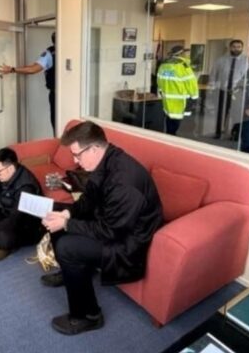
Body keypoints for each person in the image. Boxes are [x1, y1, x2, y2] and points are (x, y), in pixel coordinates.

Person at [40, 121, 163, 335]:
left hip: (127, 243)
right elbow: (88, 200)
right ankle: (72, 271)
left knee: (68, 245)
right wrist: (67, 214)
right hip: (111, 223)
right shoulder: (105, 160)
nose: (75, 161)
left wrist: (68, 223)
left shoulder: (125, 181)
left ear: (95, 148)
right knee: (57, 211)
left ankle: (88, 316)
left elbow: (111, 232)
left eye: (77, 155)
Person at [0, 31, 56, 134]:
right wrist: (13, 69)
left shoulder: (50, 53)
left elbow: (33, 69)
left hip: (57, 95)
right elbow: (33, 68)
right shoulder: (52, 54)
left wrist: (13, 69)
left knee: (57, 124)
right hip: (62, 94)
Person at [209, 39, 248, 139]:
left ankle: (235, 134)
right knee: (221, 113)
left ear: (242, 48)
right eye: (234, 47)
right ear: (230, 47)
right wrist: (212, 86)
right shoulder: (221, 60)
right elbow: (213, 74)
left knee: (237, 114)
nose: (236, 49)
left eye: (239, 47)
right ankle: (218, 132)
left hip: (238, 91)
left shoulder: (247, 61)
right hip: (223, 91)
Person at [156, 46, 199, 135]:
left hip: (167, 98)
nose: (187, 55)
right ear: (180, 54)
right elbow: (191, 83)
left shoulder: (163, 65)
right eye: (186, 53)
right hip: (180, 99)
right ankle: (172, 137)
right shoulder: (183, 66)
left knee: (169, 119)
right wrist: (195, 97)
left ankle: (170, 136)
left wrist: (161, 91)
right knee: (177, 122)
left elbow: (159, 80)